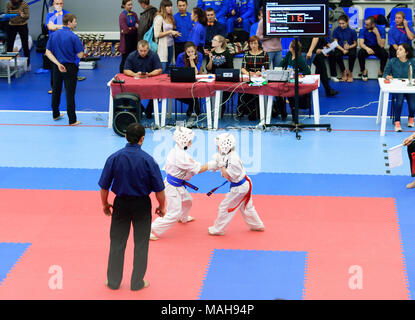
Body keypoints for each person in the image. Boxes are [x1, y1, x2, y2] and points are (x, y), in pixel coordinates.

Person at [99, 123, 166, 291]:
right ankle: (137, 283)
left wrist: (105, 204)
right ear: (142, 139)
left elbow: (104, 186)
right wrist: (161, 206)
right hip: (142, 205)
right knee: (141, 244)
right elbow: (159, 189)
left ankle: (113, 282)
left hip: (120, 204)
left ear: (125, 137)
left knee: (117, 243)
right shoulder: (149, 160)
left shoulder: (114, 157)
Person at [150, 127, 212, 240]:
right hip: (172, 187)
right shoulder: (181, 156)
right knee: (173, 213)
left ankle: (183, 218)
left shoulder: (177, 151)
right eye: (189, 141)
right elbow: (198, 169)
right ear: (183, 141)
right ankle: (150, 229)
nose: (191, 143)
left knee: (188, 201)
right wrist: (212, 164)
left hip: (177, 185)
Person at [208, 133, 265, 236]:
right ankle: (257, 225)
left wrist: (220, 165)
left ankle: (218, 229)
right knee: (247, 207)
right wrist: (218, 163)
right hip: (243, 185)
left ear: (224, 147)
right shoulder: (228, 154)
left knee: (224, 207)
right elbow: (223, 166)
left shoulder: (233, 160)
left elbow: (228, 176)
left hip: (240, 188)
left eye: (218, 146)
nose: (217, 148)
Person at [45, 14, 83, 126]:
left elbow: (48, 52)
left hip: (57, 67)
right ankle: (72, 120)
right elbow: (80, 54)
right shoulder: (73, 37)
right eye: (75, 21)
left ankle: (55, 114)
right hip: (70, 68)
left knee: (56, 90)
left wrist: (57, 64)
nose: (76, 23)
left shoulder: (54, 35)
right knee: (70, 93)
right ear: (69, 23)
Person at [123, 40, 163, 119]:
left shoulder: (154, 55)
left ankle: (149, 111)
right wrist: (135, 74)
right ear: (137, 49)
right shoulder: (131, 55)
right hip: (135, 81)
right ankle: (139, 109)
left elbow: (159, 70)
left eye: (145, 51)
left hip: (150, 80)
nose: (143, 53)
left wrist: (150, 74)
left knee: (159, 91)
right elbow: (126, 70)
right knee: (125, 92)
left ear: (148, 49)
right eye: (141, 51)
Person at [275, 40, 311, 120]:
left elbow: (307, 71)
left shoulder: (299, 59)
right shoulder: (289, 54)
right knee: (277, 94)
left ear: (292, 48)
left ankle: (294, 115)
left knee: (291, 94)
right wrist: (278, 70)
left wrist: (297, 73)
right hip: (286, 80)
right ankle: (283, 113)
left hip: (294, 83)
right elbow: (282, 64)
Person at [383, 43, 415, 132]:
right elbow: (385, 74)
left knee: (412, 106)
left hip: (410, 88)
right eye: (398, 49)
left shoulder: (413, 61)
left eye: (400, 49)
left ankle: (411, 117)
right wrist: (387, 76)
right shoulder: (392, 61)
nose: (397, 51)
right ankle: (397, 122)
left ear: (406, 53)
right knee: (399, 102)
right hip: (397, 88)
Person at [240, 35, 269, 120]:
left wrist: (260, 72)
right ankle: (247, 111)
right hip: (250, 77)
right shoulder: (246, 54)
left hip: (260, 76)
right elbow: (243, 68)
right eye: (251, 43)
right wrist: (249, 73)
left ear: (258, 44)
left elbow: (267, 68)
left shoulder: (264, 54)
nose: (253, 45)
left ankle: (259, 111)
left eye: (255, 43)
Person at [45, 0, 71, 94]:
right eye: (57, 3)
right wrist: (62, 26)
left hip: (65, 42)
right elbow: (50, 27)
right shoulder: (50, 14)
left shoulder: (68, 14)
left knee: (68, 64)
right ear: (53, 4)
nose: (59, 5)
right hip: (53, 43)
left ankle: (68, 87)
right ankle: (54, 87)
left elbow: (70, 27)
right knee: (54, 65)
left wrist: (55, 26)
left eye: (61, 3)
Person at [206, 35, 234, 117]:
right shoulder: (211, 53)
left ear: (220, 43)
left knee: (225, 94)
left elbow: (230, 69)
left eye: (214, 40)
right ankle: (214, 110)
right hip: (213, 80)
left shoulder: (227, 54)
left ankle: (220, 108)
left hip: (224, 80)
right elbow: (208, 69)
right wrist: (211, 59)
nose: (212, 41)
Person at [176, 41, 203, 117]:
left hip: (194, 79)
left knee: (195, 90)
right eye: (188, 52)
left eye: (192, 51)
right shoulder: (180, 56)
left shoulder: (199, 55)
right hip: (182, 78)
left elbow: (195, 72)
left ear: (195, 50)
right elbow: (178, 71)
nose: (191, 53)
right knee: (176, 95)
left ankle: (192, 107)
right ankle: (194, 104)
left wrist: (191, 60)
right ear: (185, 51)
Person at [154, 0, 181, 74]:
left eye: (171, 6)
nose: (170, 8)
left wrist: (174, 33)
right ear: (163, 7)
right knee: (163, 68)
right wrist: (170, 32)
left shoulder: (170, 17)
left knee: (169, 68)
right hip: (162, 47)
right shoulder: (159, 18)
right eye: (168, 6)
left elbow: (169, 31)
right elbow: (156, 34)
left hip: (170, 45)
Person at [328, 14, 357, 83]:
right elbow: (335, 43)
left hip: (350, 47)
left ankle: (350, 72)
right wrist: (343, 49)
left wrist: (349, 47)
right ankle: (344, 72)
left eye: (343, 23)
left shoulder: (352, 31)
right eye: (340, 23)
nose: (341, 25)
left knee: (352, 55)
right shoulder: (336, 30)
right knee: (336, 54)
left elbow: (355, 44)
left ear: (347, 22)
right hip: (340, 47)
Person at [357, 16, 388, 81]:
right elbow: (361, 44)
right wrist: (367, 49)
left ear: (373, 24)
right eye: (365, 24)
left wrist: (377, 34)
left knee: (385, 54)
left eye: (367, 25)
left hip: (377, 46)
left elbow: (382, 45)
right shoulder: (363, 30)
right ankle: (364, 71)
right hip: (367, 46)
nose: (365, 26)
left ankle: (381, 71)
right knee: (360, 53)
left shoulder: (381, 29)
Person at [6, 0, 30, 70]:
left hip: (22, 25)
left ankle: (28, 64)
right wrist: (8, 15)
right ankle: (8, 65)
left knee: (25, 45)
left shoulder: (24, 3)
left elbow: (27, 16)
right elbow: (7, 15)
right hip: (12, 25)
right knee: (9, 45)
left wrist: (23, 15)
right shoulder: (9, 3)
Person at [119, 0, 139, 73]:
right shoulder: (122, 15)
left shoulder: (134, 14)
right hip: (126, 40)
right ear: (124, 5)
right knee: (125, 59)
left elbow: (138, 26)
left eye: (131, 4)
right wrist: (134, 28)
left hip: (134, 39)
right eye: (128, 5)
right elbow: (125, 30)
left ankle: (132, 73)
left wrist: (131, 28)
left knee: (134, 57)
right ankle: (121, 74)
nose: (130, 6)